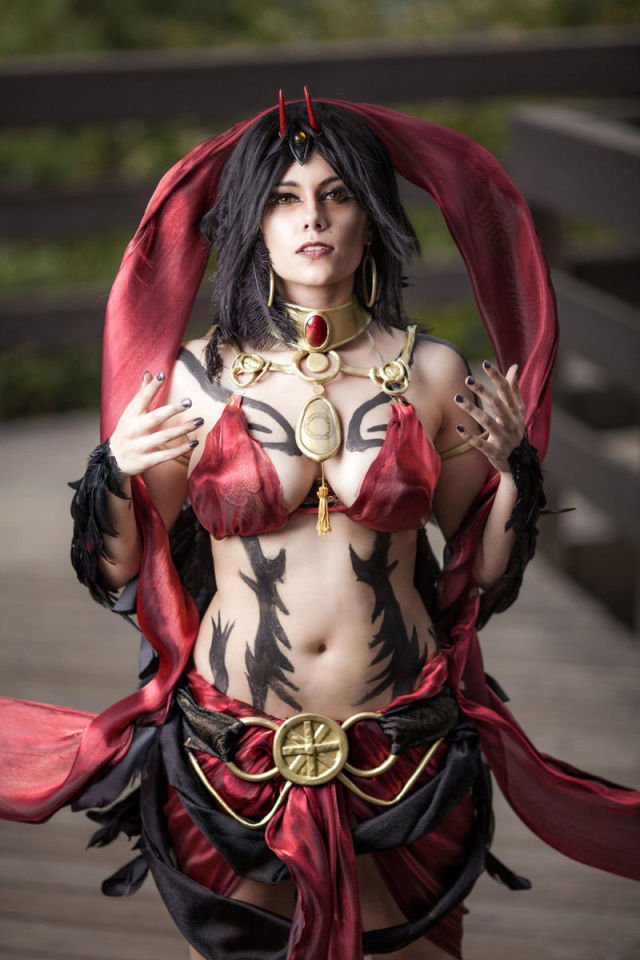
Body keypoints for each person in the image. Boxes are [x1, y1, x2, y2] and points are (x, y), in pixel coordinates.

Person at [0, 91, 638, 960]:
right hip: (232, 748)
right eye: (285, 198)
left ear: (370, 217)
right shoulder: (194, 380)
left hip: (404, 741)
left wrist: (514, 475)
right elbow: (119, 570)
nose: (314, 218)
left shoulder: (433, 371)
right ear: (252, 224)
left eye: (338, 195)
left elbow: (482, 577)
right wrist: (113, 470)